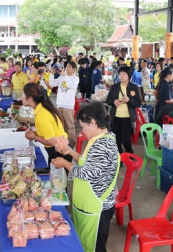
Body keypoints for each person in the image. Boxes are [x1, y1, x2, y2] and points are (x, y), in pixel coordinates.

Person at [52, 101, 120, 252]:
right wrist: (69, 152)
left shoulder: (103, 145)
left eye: (83, 126)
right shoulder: (98, 139)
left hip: (97, 209)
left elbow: (86, 173)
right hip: (87, 206)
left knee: (95, 248)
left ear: (94, 123)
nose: (82, 132)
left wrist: (64, 163)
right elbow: (86, 162)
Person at [22, 83, 71, 168]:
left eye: (22, 95)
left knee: (57, 180)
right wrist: (36, 133)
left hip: (60, 152)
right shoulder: (41, 110)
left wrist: (34, 137)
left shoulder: (42, 115)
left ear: (30, 98)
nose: (21, 98)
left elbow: (52, 141)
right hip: (58, 149)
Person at [106, 66, 141, 154]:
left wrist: (129, 100)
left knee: (126, 140)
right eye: (120, 74)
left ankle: (129, 154)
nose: (121, 76)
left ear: (129, 76)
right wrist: (114, 101)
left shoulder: (134, 87)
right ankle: (119, 158)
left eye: (123, 74)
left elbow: (138, 103)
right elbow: (108, 100)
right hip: (116, 117)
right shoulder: (115, 87)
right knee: (116, 139)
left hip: (128, 118)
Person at [49, 61, 79, 147]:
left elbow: (71, 86)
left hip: (68, 105)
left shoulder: (75, 78)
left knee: (70, 126)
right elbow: (52, 84)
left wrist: (65, 75)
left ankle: (72, 144)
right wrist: (52, 74)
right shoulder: (62, 77)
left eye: (70, 67)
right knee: (61, 126)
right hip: (60, 104)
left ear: (74, 69)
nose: (67, 68)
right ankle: (64, 143)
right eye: (67, 66)